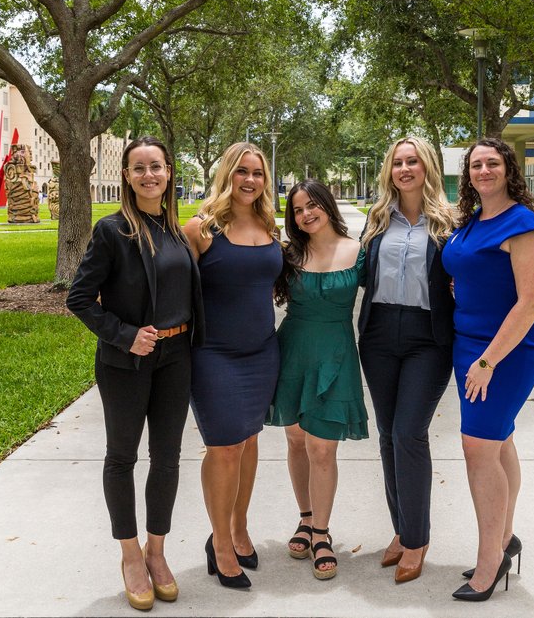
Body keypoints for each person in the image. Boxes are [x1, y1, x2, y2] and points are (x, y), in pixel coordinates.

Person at [66, 136, 203, 612]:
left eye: (157, 167)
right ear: (126, 175)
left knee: (167, 458)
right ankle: (129, 556)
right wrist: (125, 334)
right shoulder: (112, 231)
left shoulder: (176, 232)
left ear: (169, 173)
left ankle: (157, 553)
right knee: (122, 457)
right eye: (139, 167)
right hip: (127, 363)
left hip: (176, 358)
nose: (149, 175)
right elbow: (79, 299)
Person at [440, 137, 534, 603]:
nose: (483, 170)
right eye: (475, 165)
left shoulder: (523, 223)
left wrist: (488, 361)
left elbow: (531, 302)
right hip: (469, 347)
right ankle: (504, 540)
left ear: (508, 170)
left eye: (492, 163)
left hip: (505, 352)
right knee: (498, 441)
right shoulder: (472, 221)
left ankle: (490, 563)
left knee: (477, 449)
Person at [357, 137, 457, 584]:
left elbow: (473, 269)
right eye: (396, 162)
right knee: (386, 434)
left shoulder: (450, 222)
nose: (404, 168)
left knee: (408, 433)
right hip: (378, 335)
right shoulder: (377, 221)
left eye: (412, 160)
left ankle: (417, 539)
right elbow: (354, 269)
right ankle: (402, 531)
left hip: (427, 339)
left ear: (427, 167)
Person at [182, 142, 282, 590]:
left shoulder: (268, 223)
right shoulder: (202, 229)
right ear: (226, 174)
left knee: (248, 441)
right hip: (213, 355)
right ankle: (220, 542)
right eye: (241, 171)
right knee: (223, 448)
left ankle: (240, 528)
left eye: (258, 173)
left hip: (262, 352)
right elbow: (172, 289)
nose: (250, 180)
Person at [268, 179, 368, 580]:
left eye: (313, 205)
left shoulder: (359, 250)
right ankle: (305, 519)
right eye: (297, 209)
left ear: (327, 205)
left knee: (322, 448)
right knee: (295, 439)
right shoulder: (288, 254)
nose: (306, 214)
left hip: (337, 353)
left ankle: (322, 533)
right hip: (293, 351)